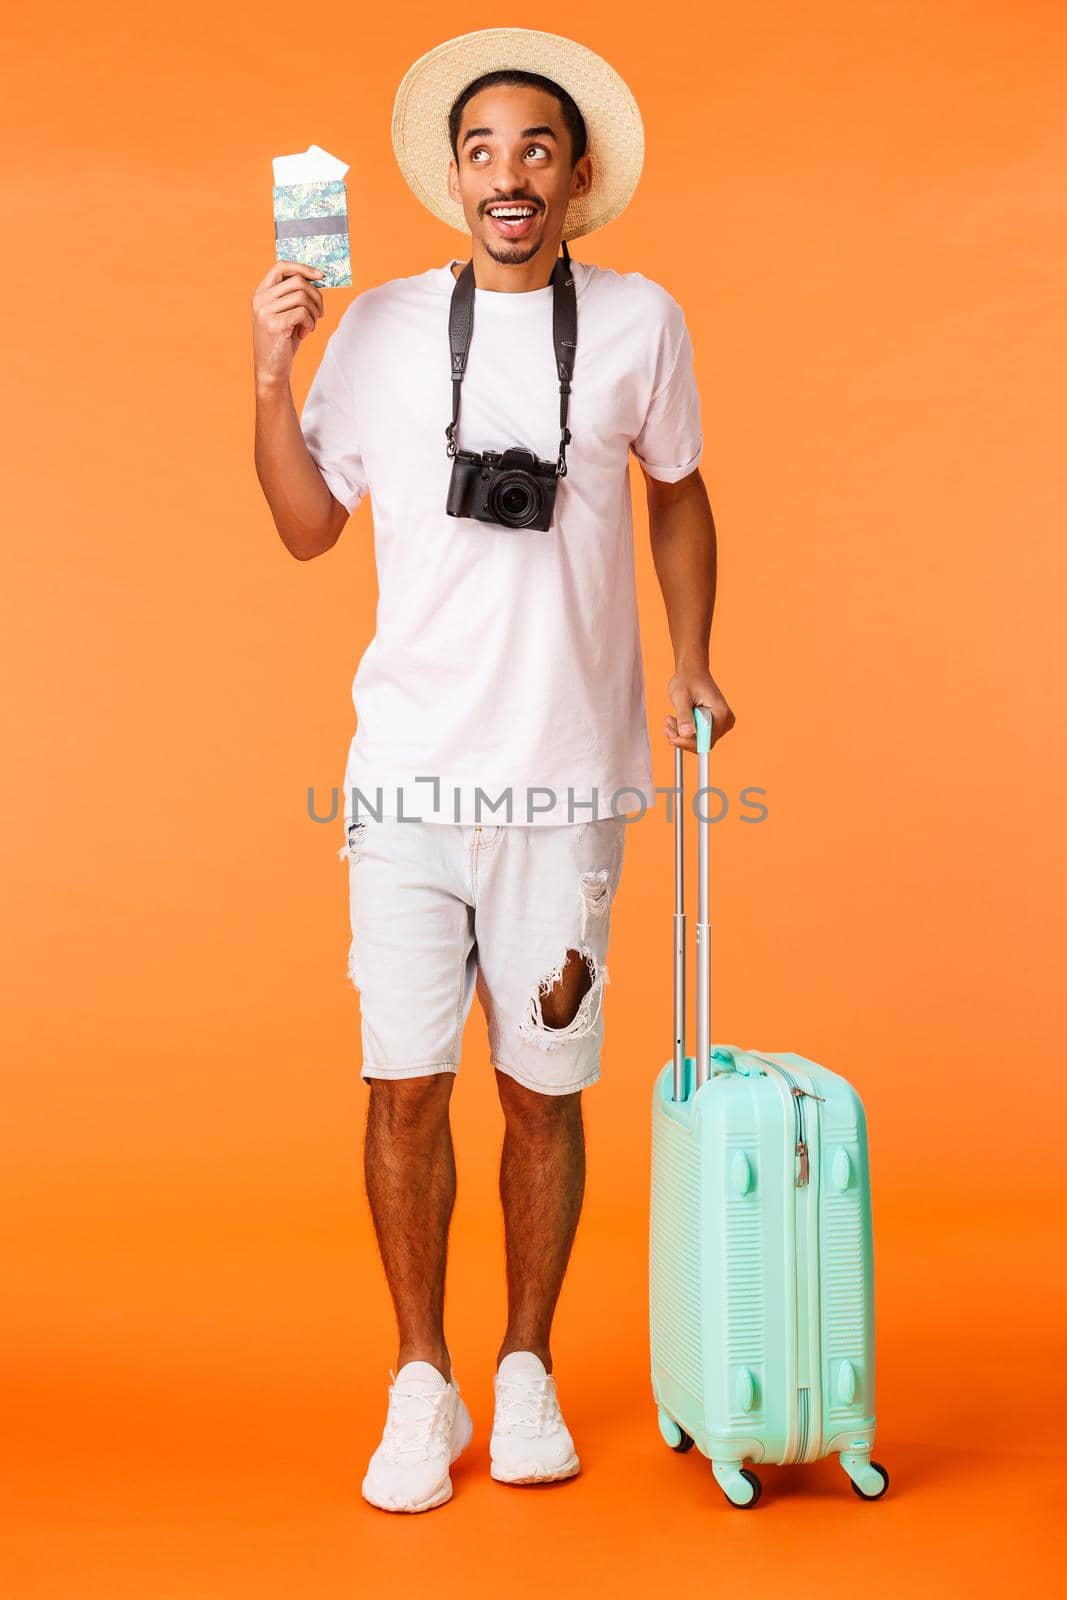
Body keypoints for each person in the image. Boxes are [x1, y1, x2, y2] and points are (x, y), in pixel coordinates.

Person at [251, 26, 735, 1514]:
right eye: (483, 151)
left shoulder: (643, 321)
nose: (510, 175)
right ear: (452, 178)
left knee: (544, 1090)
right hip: (403, 780)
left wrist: (694, 660)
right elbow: (304, 528)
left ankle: (523, 1370)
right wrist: (269, 370)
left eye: (538, 149)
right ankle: (421, 1378)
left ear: (579, 177)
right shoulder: (383, 327)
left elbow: (682, 492)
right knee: (403, 1089)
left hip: (568, 781)